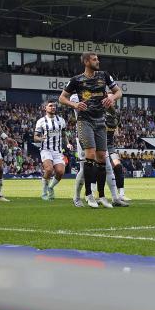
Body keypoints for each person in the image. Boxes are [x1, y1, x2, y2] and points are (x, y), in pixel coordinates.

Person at [60, 53, 123, 208]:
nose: (98, 61)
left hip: (100, 121)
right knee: (90, 155)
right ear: (86, 62)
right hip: (85, 121)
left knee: (102, 157)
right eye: (95, 59)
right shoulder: (76, 80)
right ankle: (88, 195)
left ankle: (101, 196)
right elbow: (62, 97)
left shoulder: (104, 75)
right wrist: (74, 105)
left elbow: (118, 91)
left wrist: (112, 98)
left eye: (97, 59)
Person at [33, 101, 68, 201]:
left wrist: (68, 143)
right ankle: (44, 192)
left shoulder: (61, 120)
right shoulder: (41, 121)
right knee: (49, 169)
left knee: (60, 172)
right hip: (46, 150)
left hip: (57, 151)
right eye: (50, 106)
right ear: (45, 108)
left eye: (54, 106)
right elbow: (35, 137)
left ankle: (51, 187)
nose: (53, 107)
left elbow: (64, 134)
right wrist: (41, 139)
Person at [104, 104, 131, 206]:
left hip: (110, 147)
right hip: (99, 146)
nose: (110, 102)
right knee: (97, 170)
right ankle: (92, 194)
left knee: (118, 167)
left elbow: (116, 132)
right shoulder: (98, 114)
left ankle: (121, 194)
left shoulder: (116, 116)